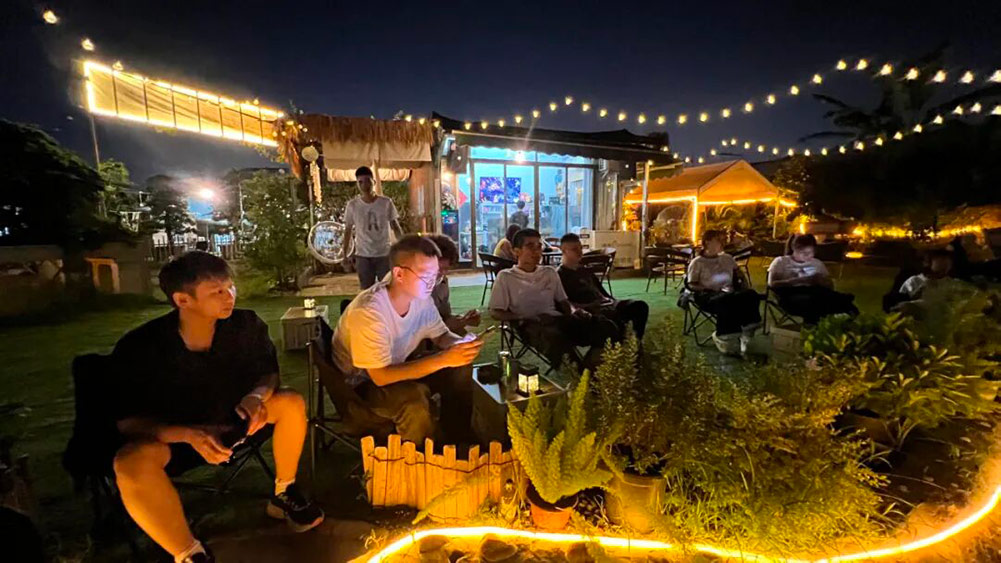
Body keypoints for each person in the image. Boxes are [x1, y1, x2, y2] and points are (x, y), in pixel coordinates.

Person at [110, 252, 322, 563]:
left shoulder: (245, 325)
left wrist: (256, 397)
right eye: (217, 291)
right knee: (130, 461)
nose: (229, 296)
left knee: (290, 402)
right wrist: (188, 434)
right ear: (183, 300)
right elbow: (128, 423)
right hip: (176, 440)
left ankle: (283, 493)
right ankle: (188, 552)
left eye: (230, 286)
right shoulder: (142, 347)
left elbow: (268, 374)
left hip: (238, 422)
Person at [332, 235, 484, 444]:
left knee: (461, 366)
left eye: (436, 274)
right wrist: (443, 359)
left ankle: (457, 437)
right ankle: (421, 456)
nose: (433, 281)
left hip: (398, 367)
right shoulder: (369, 312)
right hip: (361, 388)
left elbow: (441, 334)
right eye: (426, 275)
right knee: (414, 399)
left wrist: (460, 344)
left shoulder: (421, 298)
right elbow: (380, 376)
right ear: (399, 274)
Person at [490, 228, 619, 370]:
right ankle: (580, 373)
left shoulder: (549, 272)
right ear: (516, 251)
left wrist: (575, 312)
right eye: (530, 246)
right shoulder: (506, 277)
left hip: (557, 319)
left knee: (605, 326)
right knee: (556, 339)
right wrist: (524, 317)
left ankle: (591, 368)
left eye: (539, 246)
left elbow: (564, 301)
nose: (536, 251)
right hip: (530, 325)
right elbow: (495, 312)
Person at [557, 233, 649, 340]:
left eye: (581, 248)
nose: (580, 252)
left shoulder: (584, 270)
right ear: (563, 251)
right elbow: (565, 303)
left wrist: (612, 301)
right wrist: (589, 306)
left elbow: (601, 291)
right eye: (574, 249)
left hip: (605, 304)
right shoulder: (560, 275)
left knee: (639, 306)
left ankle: (637, 341)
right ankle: (618, 344)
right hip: (590, 311)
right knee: (609, 321)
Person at [685, 230, 762, 355]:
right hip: (707, 295)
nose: (722, 243)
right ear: (707, 242)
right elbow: (691, 284)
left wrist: (743, 286)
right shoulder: (697, 262)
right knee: (727, 301)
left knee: (751, 295)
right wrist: (707, 289)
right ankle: (724, 335)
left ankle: (748, 325)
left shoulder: (727, 258)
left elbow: (739, 274)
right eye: (718, 240)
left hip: (728, 293)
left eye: (723, 240)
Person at [767, 234, 858, 325]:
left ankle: (842, 305)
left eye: (812, 252)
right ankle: (840, 301)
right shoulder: (781, 261)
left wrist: (821, 280)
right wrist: (800, 280)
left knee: (825, 298)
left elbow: (830, 286)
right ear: (794, 249)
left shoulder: (817, 263)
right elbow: (772, 284)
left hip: (815, 292)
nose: (809, 256)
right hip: (790, 295)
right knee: (816, 302)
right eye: (805, 253)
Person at [341, 166, 405, 290]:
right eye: (360, 182)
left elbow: (395, 227)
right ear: (357, 184)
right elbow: (347, 231)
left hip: (383, 254)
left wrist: (404, 248)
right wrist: (344, 254)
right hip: (363, 255)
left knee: (387, 289)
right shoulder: (353, 205)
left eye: (367, 181)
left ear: (373, 182)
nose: (364, 185)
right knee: (366, 291)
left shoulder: (386, 203)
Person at [428, 234, 482, 335]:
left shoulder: (442, 283)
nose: (442, 273)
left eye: (446, 269)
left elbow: (445, 317)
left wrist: (464, 319)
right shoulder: (411, 286)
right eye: (438, 268)